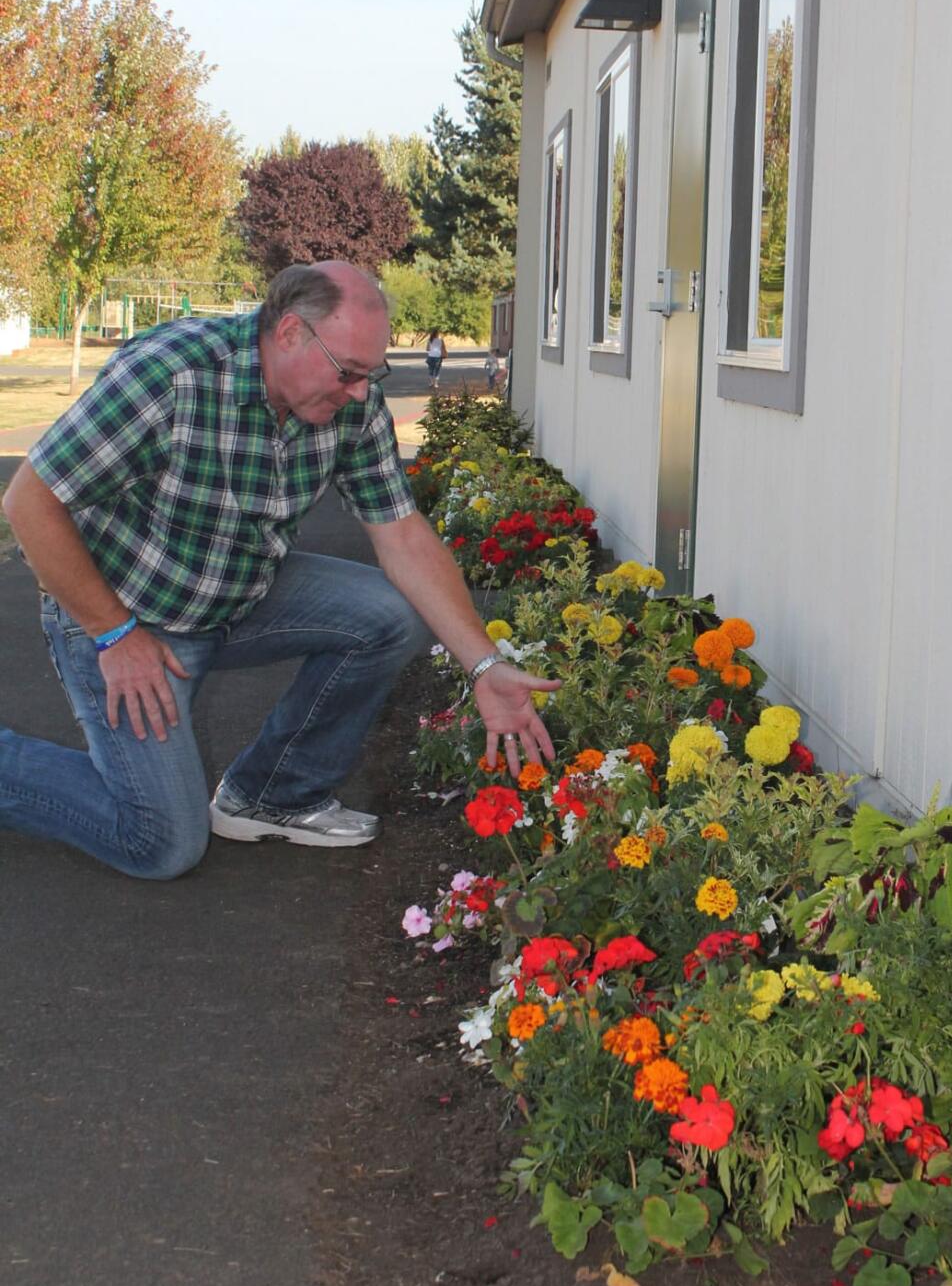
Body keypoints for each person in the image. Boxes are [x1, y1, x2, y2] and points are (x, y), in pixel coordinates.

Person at [0, 261, 558, 880]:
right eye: (348, 372)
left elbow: (402, 534)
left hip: (238, 595)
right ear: (290, 332)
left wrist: (483, 664)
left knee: (390, 617)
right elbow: (29, 500)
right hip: (122, 614)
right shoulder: (172, 374)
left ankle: (272, 795)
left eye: (369, 375)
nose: (358, 392)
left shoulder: (351, 402)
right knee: (160, 843)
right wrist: (114, 634)